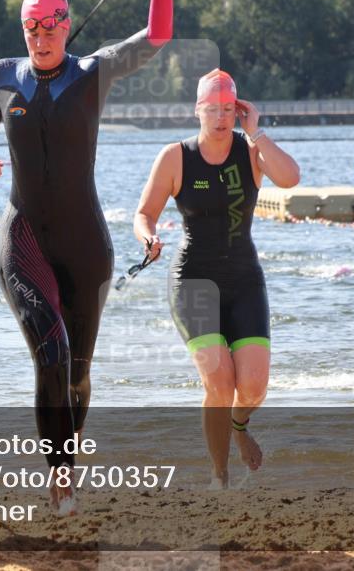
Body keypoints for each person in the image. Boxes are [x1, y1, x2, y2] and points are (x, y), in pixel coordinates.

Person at [0, 0, 172, 515]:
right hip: (24, 238)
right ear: (24, 31)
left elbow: (155, 39)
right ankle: (57, 479)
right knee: (49, 350)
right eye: (32, 28)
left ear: (66, 24)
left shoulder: (91, 73)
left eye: (51, 25)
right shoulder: (3, 78)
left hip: (85, 248)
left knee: (77, 375)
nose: (41, 35)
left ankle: (67, 471)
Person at [133, 69, 300, 488]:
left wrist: (256, 132)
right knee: (220, 381)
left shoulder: (250, 152)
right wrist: (149, 237)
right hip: (193, 281)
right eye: (213, 110)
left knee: (255, 387)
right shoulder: (176, 157)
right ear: (198, 111)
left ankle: (239, 428)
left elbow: (291, 178)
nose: (222, 118)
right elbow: (144, 214)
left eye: (229, 109)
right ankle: (220, 474)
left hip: (244, 279)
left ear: (239, 111)